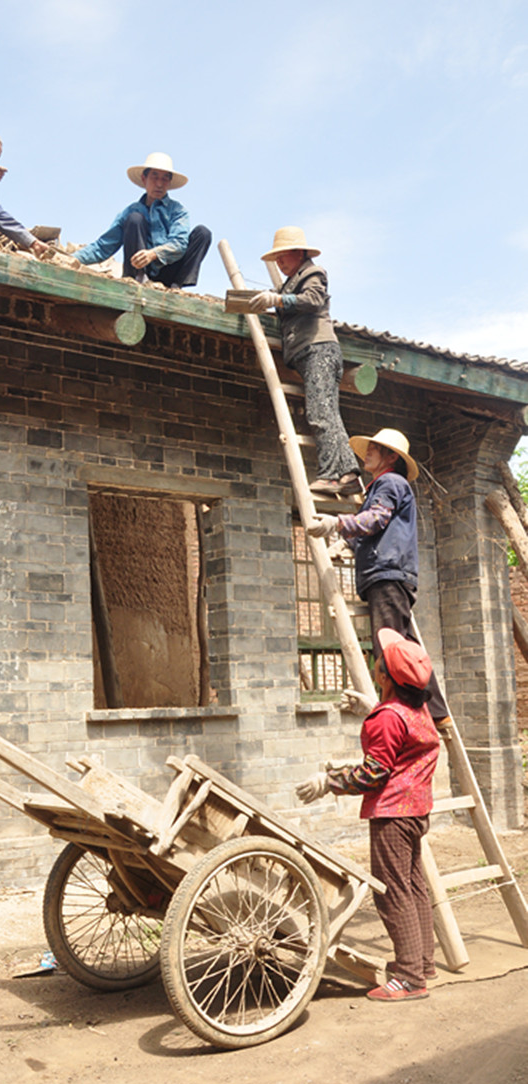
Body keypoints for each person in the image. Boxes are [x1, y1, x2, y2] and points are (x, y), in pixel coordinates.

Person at [297, 627, 439, 1000]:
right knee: (413, 885)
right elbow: (401, 740)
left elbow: (373, 773)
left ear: (384, 677)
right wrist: (372, 705)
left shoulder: (387, 718)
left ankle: (409, 978)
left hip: (393, 815)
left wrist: (329, 781)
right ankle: (423, 962)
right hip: (417, 812)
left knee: (392, 891)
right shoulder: (418, 709)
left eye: (380, 663)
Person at [306, 427, 451, 727]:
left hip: (387, 574)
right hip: (387, 572)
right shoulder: (382, 486)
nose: (367, 452)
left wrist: (337, 524)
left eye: (375, 448)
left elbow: (376, 519)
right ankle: (436, 712)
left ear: (391, 457)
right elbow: (376, 528)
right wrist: (346, 545)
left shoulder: (389, 482)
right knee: (402, 644)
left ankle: (404, 710)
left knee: (390, 649)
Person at [249, 226, 360, 496]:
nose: (279, 263)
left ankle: (331, 476)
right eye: (276, 259)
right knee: (328, 413)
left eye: (283, 257)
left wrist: (278, 299)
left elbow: (312, 299)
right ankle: (349, 474)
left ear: (298, 252)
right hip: (309, 352)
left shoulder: (313, 272)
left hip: (318, 349)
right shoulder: (290, 282)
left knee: (321, 413)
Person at [74, 152, 211, 288]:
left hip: (169, 273)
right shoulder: (131, 211)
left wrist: (153, 254)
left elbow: (179, 244)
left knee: (203, 233)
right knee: (134, 219)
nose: (159, 184)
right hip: (139, 269)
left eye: (164, 179)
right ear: (144, 179)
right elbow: (104, 245)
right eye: (154, 177)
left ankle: (176, 287)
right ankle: (138, 278)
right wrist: (73, 258)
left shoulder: (178, 211)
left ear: (169, 182)